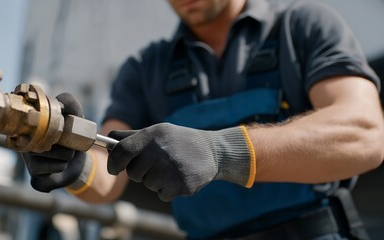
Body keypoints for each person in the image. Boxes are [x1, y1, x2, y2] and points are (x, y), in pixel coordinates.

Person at [22, 0, 384, 239]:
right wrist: (73, 158)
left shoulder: (302, 27)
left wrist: (220, 151)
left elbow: (363, 132)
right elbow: (107, 175)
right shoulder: (146, 69)